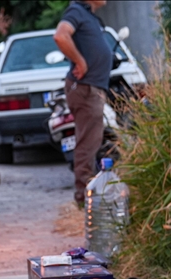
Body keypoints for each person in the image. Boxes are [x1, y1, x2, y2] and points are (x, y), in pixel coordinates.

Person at [53, 0, 112, 207]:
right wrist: (80, 61)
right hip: (85, 88)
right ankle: (84, 200)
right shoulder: (76, 10)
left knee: (91, 142)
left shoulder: (89, 16)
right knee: (88, 143)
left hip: (91, 88)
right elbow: (61, 36)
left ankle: (88, 195)